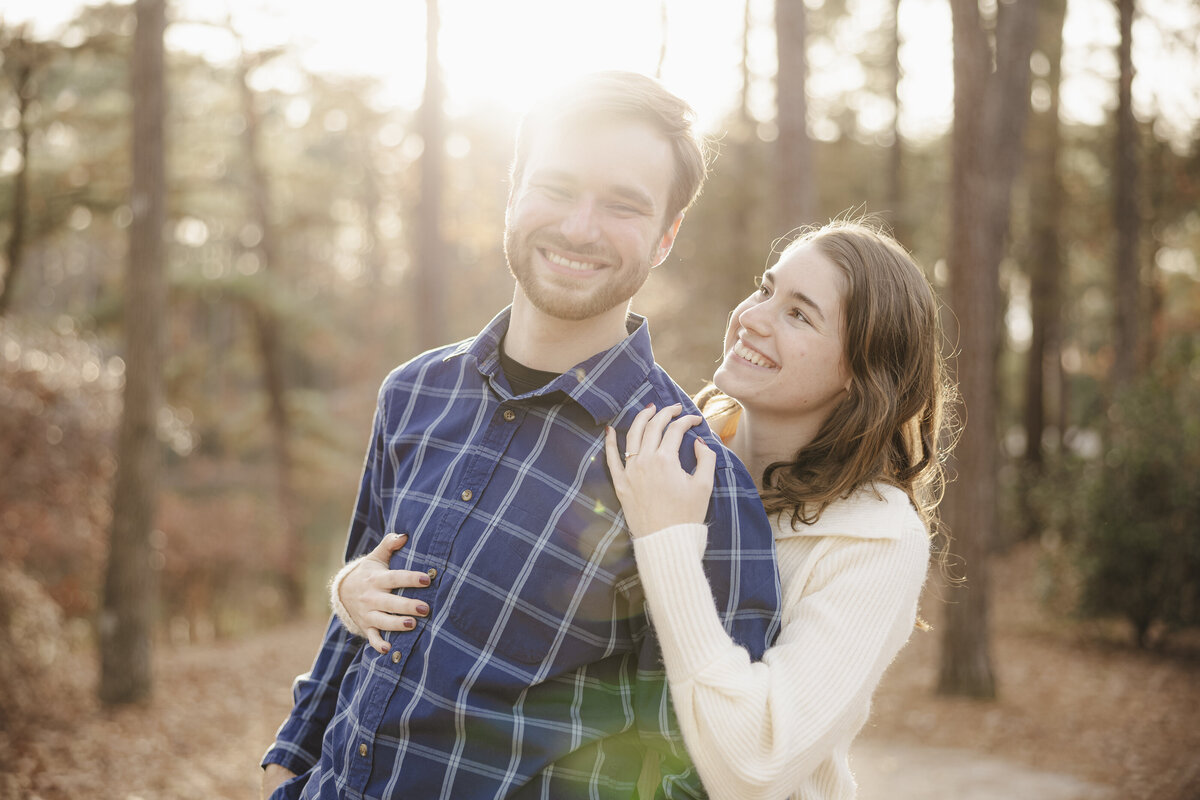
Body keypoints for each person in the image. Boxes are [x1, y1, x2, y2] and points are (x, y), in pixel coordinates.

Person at [260, 71, 782, 800]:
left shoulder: (695, 476)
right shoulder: (414, 393)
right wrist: (290, 764)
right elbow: (362, 612)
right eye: (558, 189)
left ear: (665, 238)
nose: (579, 227)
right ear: (513, 195)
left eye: (624, 205)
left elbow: (710, 764)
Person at [338, 218, 955, 799]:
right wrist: (353, 589)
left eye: (798, 314)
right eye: (765, 290)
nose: (752, 318)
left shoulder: (876, 537)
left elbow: (757, 763)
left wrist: (669, 541)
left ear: (863, 373)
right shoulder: (668, 442)